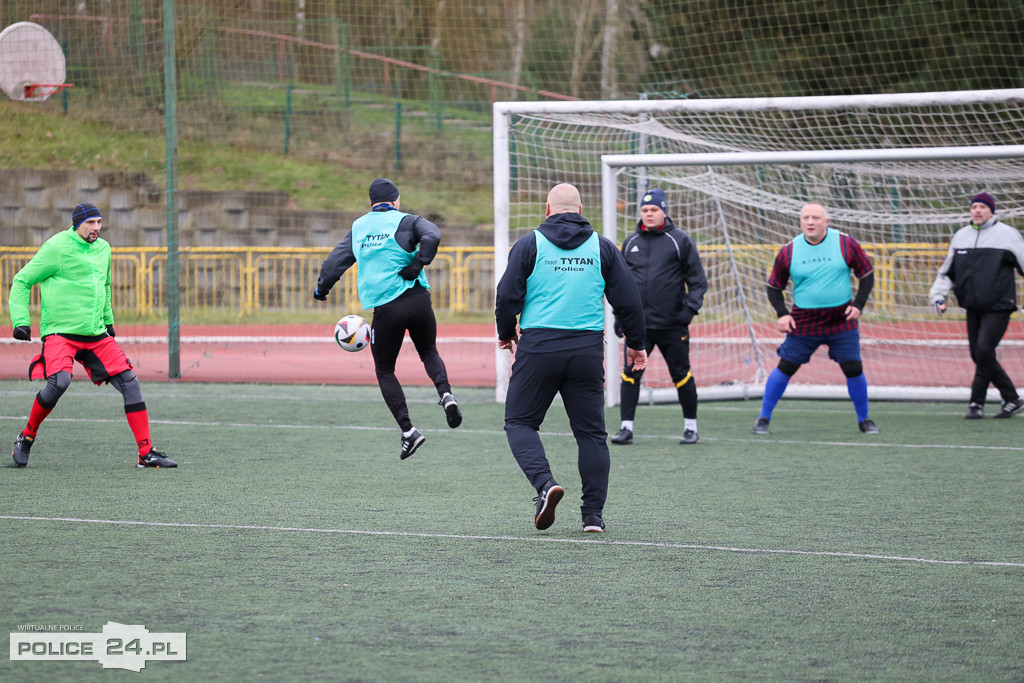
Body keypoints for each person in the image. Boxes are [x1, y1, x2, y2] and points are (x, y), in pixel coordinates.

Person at [495, 183, 648, 533]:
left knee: (519, 422)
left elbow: (507, 295)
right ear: (580, 211)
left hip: (539, 347)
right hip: (586, 350)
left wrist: (506, 333)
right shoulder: (602, 247)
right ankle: (592, 516)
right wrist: (636, 344)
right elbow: (630, 302)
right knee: (592, 435)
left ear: (547, 209)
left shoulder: (529, 244)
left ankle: (545, 484)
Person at [8, 203, 176, 468]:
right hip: (59, 333)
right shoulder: (57, 247)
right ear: (77, 224)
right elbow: (21, 280)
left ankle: (146, 453)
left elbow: (105, 286)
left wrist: (108, 322)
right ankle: (27, 436)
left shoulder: (104, 249)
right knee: (59, 383)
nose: (96, 227)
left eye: (99, 222)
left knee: (130, 382)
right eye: (90, 223)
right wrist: (21, 321)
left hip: (95, 334)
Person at [314, 178, 462, 459]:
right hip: (418, 301)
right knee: (429, 350)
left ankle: (409, 431)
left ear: (372, 203)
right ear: (395, 200)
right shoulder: (407, 220)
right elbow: (433, 235)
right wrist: (419, 262)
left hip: (386, 310)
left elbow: (334, 263)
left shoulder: (358, 227)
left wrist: (322, 288)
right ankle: (446, 395)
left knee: (384, 370)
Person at [753, 202, 878, 435]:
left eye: (816, 218)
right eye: (806, 218)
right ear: (800, 222)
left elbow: (867, 274)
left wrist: (859, 304)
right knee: (786, 366)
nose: (810, 222)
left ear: (826, 222)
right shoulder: (789, 250)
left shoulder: (845, 243)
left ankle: (865, 419)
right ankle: (763, 418)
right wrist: (782, 314)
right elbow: (773, 287)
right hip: (804, 321)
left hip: (842, 319)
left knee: (853, 367)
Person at [610, 188, 708, 446]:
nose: (649, 214)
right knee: (630, 374)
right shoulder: (631, 242)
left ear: (664, 211)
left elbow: (698, 282)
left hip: (672, 325)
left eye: (654, 210)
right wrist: (619, 316)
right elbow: (619, 284)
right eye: (645, 210)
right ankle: (626, 427)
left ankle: (690, 427)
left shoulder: (680, 241)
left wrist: (687, 311)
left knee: (681, 374)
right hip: (638, 327)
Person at [929, 192, 1024, 419]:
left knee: (983, 350)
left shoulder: (1008, 235)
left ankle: (979, 402)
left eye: (982, 207)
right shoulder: (961, 236)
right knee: (979, 354)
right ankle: (1007, 399)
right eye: (974, 207)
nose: (977, 211)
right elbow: (948, 272)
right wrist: (939, 297)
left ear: (992, 210)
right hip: (972, 306)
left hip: (999, 306)